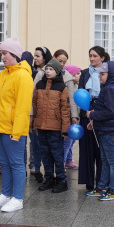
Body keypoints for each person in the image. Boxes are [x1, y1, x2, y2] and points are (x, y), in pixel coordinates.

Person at [0, 37, 33, 212]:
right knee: (4, 164)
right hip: (0, 127)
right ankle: (6, 194)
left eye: (5, 53)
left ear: (14, 54)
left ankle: (18, 198)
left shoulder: (23, 76)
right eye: (1, 53)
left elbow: (22, 107)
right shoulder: (3, 74)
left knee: (16, 164)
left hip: (14, 130)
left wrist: (17, 132)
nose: (2, 57)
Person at [85, 60, 114, 201]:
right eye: (99, 73)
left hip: (108, 130)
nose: (99, 76)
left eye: (103, 74)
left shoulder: (109, 89)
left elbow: (110, 112)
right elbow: (104, 108)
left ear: (111, 75)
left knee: (111, 161)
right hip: (104, 128)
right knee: (105, 160)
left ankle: (113, 190)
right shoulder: (108, 88)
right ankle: (101, 187)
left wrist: (92, 115)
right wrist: (94, 121)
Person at [31, 58, 70, 193]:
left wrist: (65, 130)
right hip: (41, 126)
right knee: (45, 155)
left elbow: (65, 109)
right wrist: (33, 123)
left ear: (57, 71)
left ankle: (61, 180)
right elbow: (34, 105)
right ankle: (49, 179)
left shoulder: (62, 87)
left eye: (51, 69)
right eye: (46, 69)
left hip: (55, 128)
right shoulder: (39, 85)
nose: (47, 71)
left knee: (57, 155)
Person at [76, 46, 107, 192]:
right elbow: (81, 92)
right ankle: (88, 181)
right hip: (86, 111)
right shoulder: (84, 73)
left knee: (101, 149)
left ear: (102, 58)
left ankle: (101, 181)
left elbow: (108, 95)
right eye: (90, 56)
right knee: (86, 149)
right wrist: (86, 110)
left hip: (101, 112)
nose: (92, 58)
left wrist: (98, 110)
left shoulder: (106, 73)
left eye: (95, 56)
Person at [29, 46, 54, 182]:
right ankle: (35, 166)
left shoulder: (50, 71)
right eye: (34, 56)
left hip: (46, 113)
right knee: (35, 142)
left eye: (38, 56)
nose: (35, 58)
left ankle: (46, 169)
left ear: (45, 57)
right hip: (35, 112)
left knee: (44, 143)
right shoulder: (33, 72)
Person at [53, 50, 81, 168]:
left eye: (64, 62)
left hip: (71, 117)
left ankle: (67, 161)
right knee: (67, 142)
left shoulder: (74, 85)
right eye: (77, 73)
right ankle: (61, 165)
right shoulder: (67, 83)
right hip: (65, 117)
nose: (62, 64)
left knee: (70, 141)